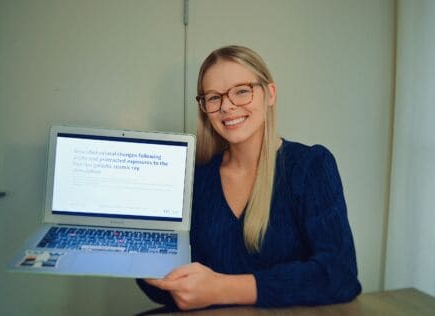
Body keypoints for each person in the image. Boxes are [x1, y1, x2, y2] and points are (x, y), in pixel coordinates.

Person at [137, 45, 361, 311]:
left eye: (242, 91)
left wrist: (222, 289)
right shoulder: (196, 178)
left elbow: (339, 275)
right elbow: (180, 291)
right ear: (204, 108)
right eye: (213, 97)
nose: (227, 106)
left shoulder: (310, 166)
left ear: (270, 94)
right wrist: (147, 264)